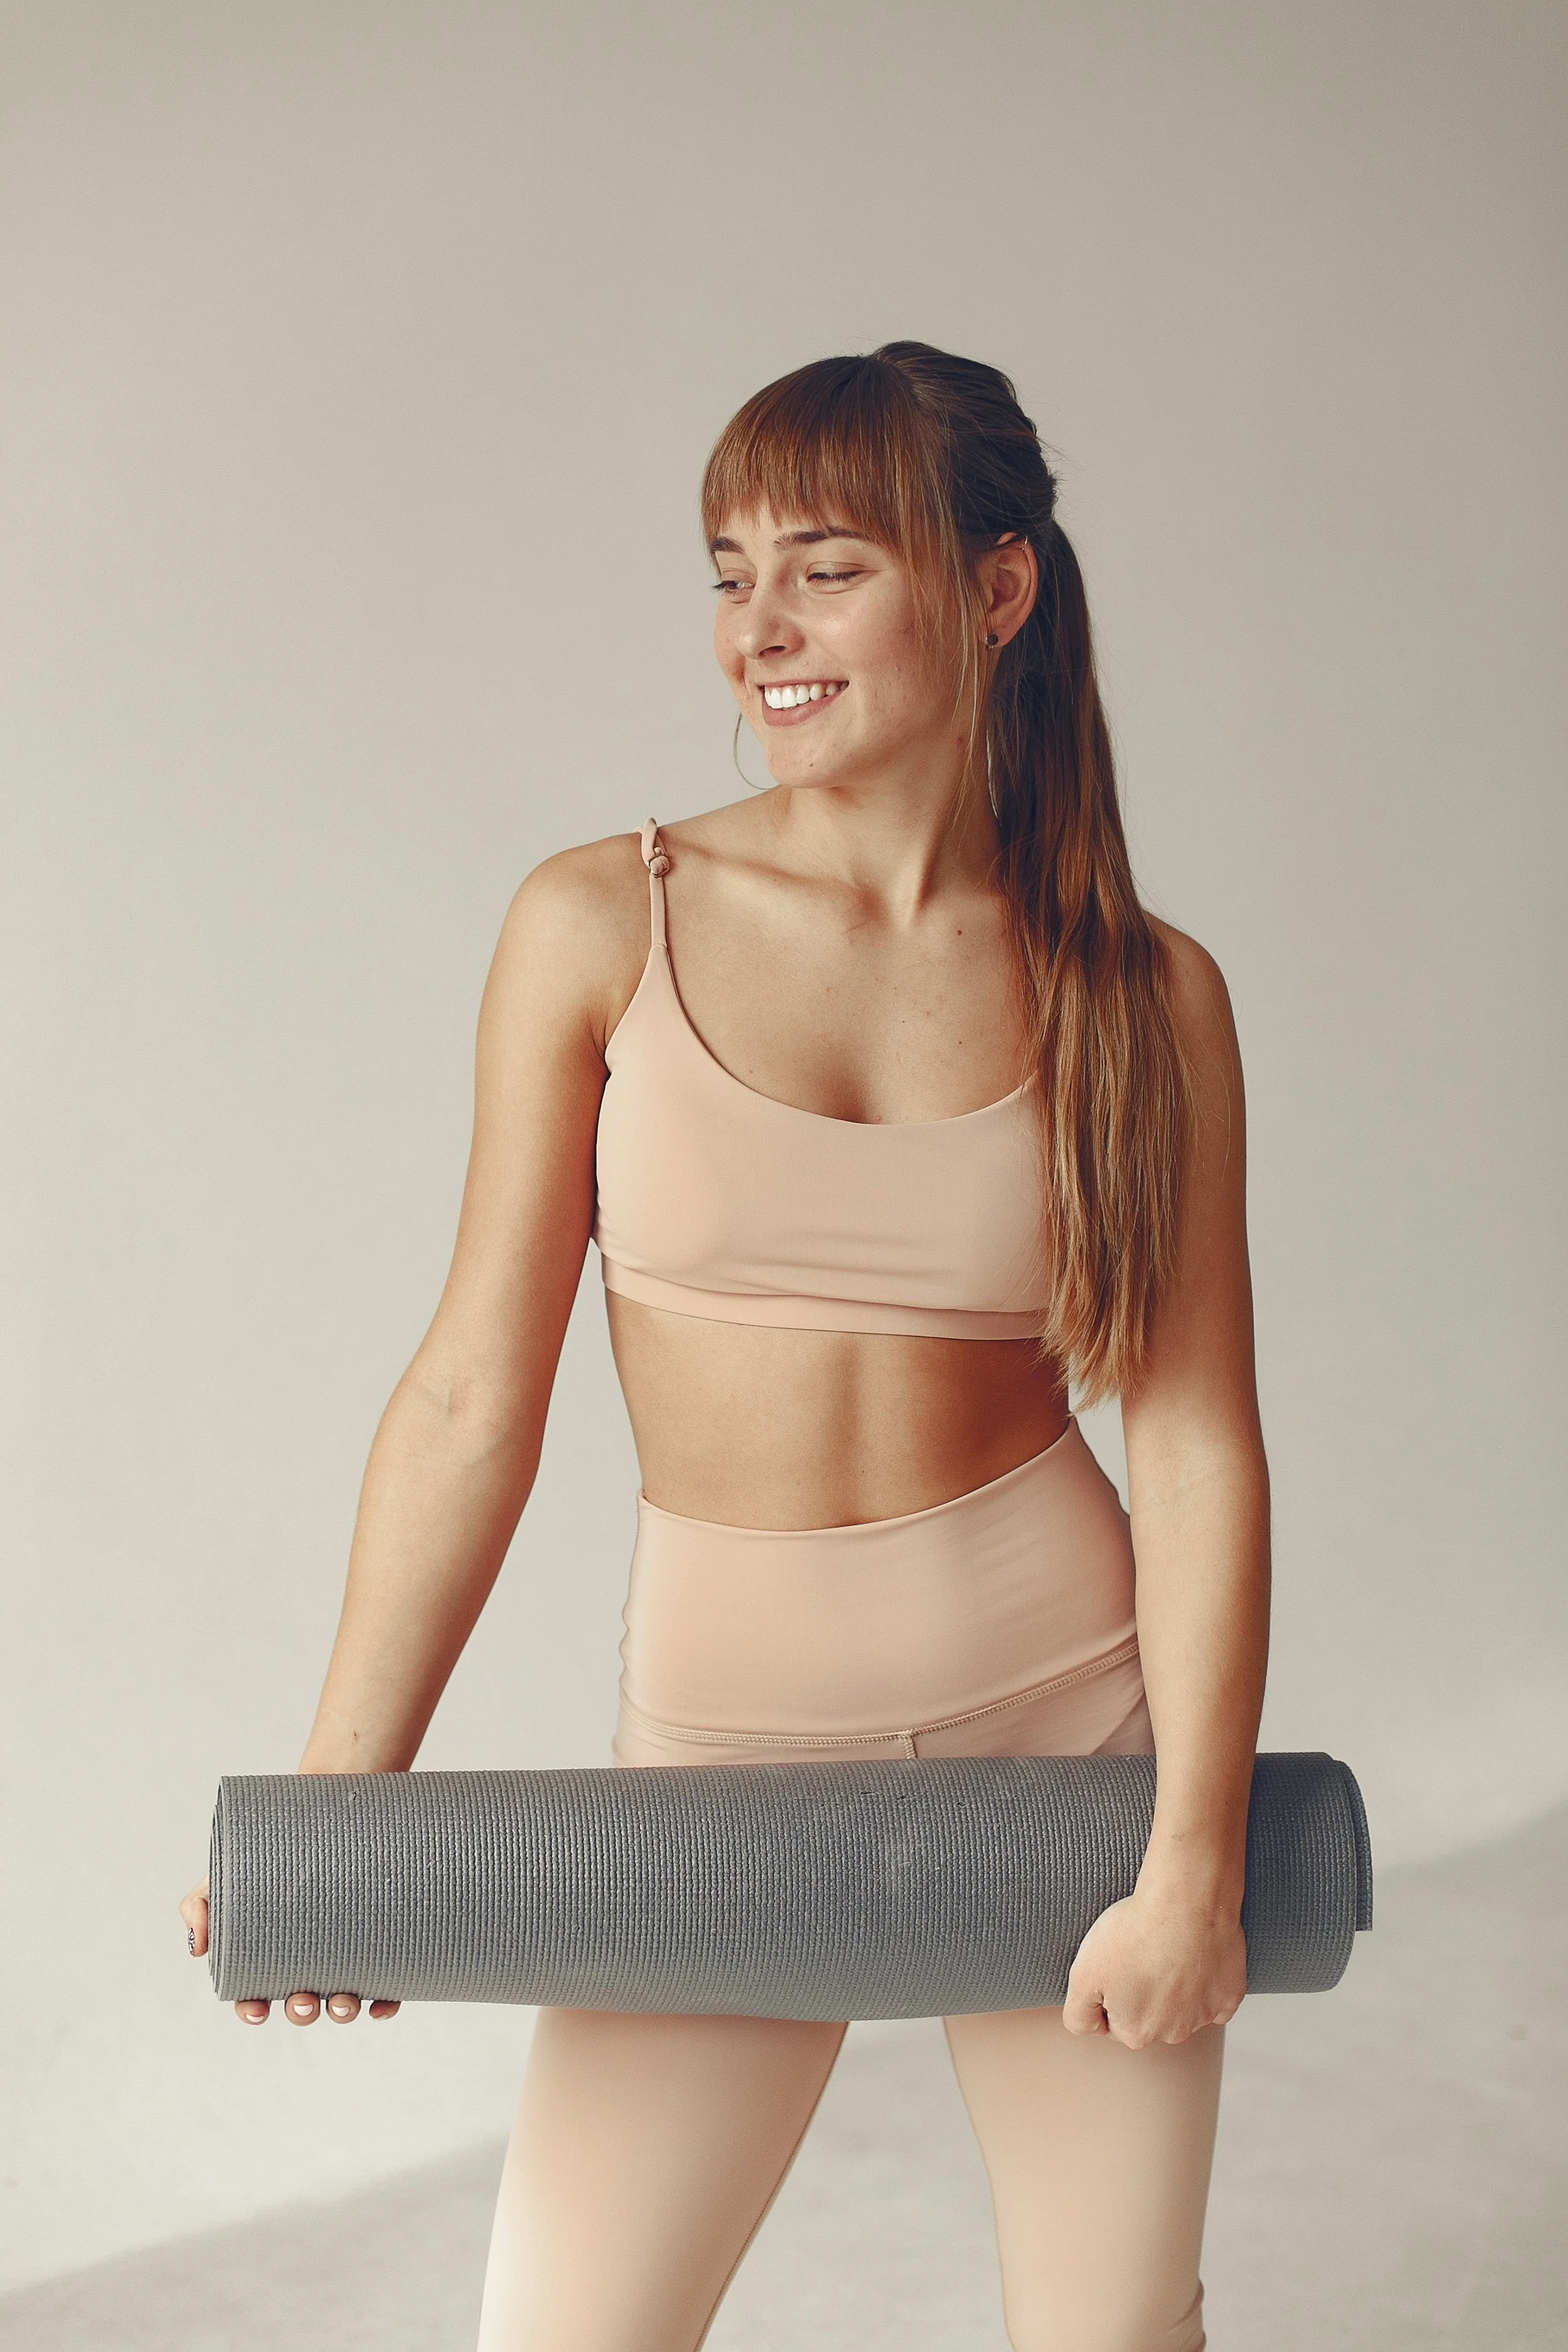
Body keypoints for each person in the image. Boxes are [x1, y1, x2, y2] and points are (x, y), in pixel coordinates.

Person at [181, 341, 1270, 2352]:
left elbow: (1194, 1440)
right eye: (725, 567)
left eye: (825, 566)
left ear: (996, 590)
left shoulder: (1139, 987)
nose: (755, 628)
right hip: (714, 1753)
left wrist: (1194, 1851)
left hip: (1065, 1731)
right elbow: (465, 1394)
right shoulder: (601, 920)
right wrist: (342, 1806)